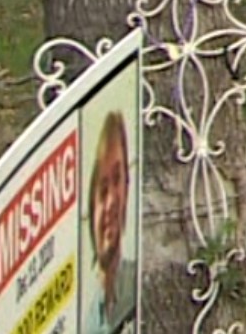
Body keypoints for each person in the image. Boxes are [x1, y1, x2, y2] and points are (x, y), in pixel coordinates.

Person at [84, 109, 137, 334]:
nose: (112, 202)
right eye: (103, 190)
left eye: (118, 180)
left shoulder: (138, 282)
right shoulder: (87, 321)